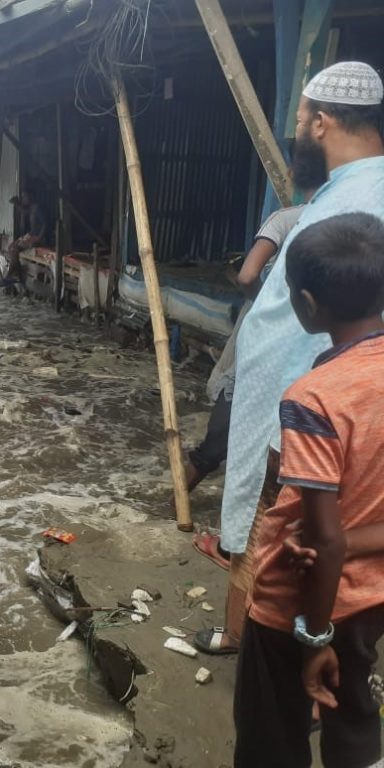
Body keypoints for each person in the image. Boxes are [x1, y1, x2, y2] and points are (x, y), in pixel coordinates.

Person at [200, 61, 384, 656]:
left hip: (303, 407)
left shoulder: (358, 197)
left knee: (284, 534)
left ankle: (285, 654)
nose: (299, 131)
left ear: (322, 122)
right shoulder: (349, 189)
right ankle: (255, 638)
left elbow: (323, 318)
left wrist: (295, 409)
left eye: (302, 121)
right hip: (305, 400)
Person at [233, 212, 384, 768]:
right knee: (353, 715)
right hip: (371, 599)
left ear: (306, 304)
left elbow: (323, 540)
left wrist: (314, 636)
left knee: (269, 730)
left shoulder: (315, 397)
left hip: (298, 599)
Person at [190, 197, 309, 570]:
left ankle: (227, 543)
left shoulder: (288, 218)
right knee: (276, 451)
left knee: (223, 438)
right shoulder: (355, 215)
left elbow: (245, 275)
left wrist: (268, 304)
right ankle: (253, 543)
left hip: (263, 350)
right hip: (304, 357)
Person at [0, 189, 49, 286]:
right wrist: (16, 203)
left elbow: (45, 224)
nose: (23, 199)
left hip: (38, 237)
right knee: (11, 247)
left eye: (24, 197)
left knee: (15, 249)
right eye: (22, 197)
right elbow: (23, 210)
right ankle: (16, 274)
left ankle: (10, 275)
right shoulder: (31, 208)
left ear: (30, 196)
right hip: (31, 235)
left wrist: (39, 238)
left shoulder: (37, 208)